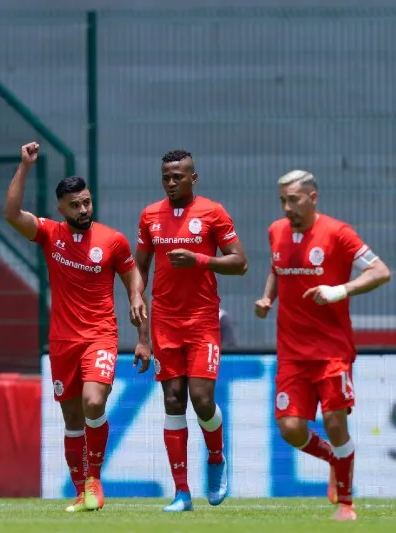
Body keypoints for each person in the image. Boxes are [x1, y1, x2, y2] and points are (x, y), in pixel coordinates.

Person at [3, 142, 146, 513]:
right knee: (71, 419)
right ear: (61, 209)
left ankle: (95, 479)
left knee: (94, 402)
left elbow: (133, 275)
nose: (84, 209)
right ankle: (81, 491)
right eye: (76, 205)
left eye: (87, 202)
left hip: (100, 335)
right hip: (63, 340)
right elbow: (11, 213)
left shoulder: (112, 240)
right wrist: (24, 165)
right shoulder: (50, 234)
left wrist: (135, 297)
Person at [254, 170, 391, 521]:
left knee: (333, 420)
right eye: (282, 200)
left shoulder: (338, 233)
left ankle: (346, 502)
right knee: (290, 428)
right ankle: (334, 457)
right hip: (291, 352)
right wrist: (268, 297)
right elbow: (277, 266)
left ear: (313, 198)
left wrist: (340, 290)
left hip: (331, 350)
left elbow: (380, 272)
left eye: (294, 199)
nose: (287, 207)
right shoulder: (276, 231)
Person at [134, 149, 248, 512]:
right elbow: (140, 267)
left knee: (201, 399)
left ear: (192, 178)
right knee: (172, 399)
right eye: (165, 177)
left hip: (201, 320)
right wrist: (137, 298)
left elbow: (240, 263)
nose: (170, 183)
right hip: (165, 321)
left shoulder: (212, 212)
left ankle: (216, 457)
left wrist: (200, 259)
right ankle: (182, 493)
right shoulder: (150, 215)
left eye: (177, 177)